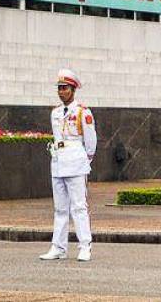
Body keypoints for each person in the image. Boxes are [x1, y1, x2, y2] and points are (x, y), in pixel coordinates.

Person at [39, 68, 97, 262]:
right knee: (60, 208)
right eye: (59, 88)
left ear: (73, 89)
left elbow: (90, 141)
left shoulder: (83, 112)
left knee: (79, 207)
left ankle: (85, 245)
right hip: (58, 162)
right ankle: (58, 247)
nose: (61, 91)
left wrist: (85, 160)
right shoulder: (55, 112)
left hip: (76, 162)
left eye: (64, 88)